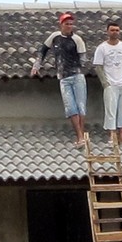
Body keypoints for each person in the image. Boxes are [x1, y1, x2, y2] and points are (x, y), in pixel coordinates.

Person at [31, 12, 88, 148]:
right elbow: (43, 50)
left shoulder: (77, 39)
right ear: (61, 24)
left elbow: (83, 58)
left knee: (81, 107)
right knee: (70, 108)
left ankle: (82, 136)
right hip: (63, 77)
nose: (69, 26)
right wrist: (37, 64)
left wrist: (75, 66)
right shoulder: (54, 37)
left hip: (77, 75)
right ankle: (79, 136)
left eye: (71, 24)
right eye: (66, 24)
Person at [93, 21, 122, 146]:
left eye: (117, 30)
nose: (115, 32)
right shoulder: (102, 48)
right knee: (111, 110)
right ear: (107, 31)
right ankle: (112, 135)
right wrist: (105, 83)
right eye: (112, 30)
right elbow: (98, 66)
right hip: (111, 84)